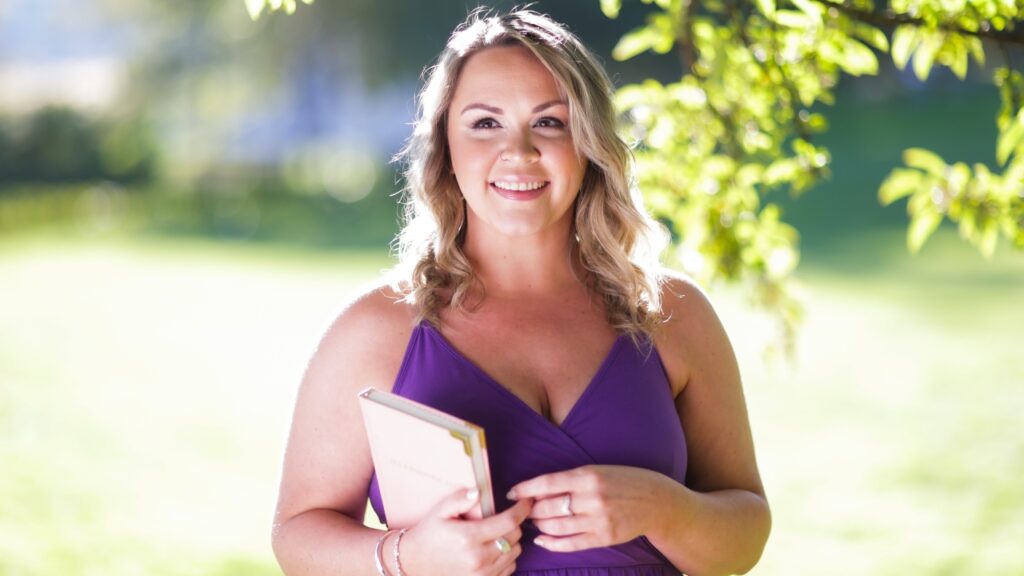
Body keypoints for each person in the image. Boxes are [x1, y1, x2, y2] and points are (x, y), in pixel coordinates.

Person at [271, 8, 770, 576]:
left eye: (550, 122)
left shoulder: (672, 314)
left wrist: (665, 510)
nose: (520, 151)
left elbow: (745, 531)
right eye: (485, 123)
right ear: (445, 147)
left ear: (589, 144)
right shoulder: (376, 331)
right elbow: (297, 536)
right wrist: (407, 559)